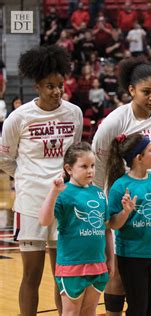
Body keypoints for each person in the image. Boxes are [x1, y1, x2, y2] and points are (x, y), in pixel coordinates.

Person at [0, 45, 83, 315]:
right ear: (37, 85)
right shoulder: (19, 117)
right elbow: (4, 157)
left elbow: (76, 154)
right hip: (32, 204)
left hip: (66, 204)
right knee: (31, 276)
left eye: (60, 85)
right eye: (50, 86)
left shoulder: (74, 113)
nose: (57, 91)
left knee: (63, 277)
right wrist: (25, 176)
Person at [92, 56, 151, 315]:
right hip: (124, 201)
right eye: (146, 92)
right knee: (118, 269)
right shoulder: (116, 120)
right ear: (131, 91)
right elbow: (99, 160)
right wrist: (99, 203)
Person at [106, 133, 151, 315]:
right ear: (138, 158)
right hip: (133, 256)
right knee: (138, 308)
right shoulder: (120, 186)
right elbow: (113, 224)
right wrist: (126, 212)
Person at [38, 142, 113, 315]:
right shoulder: (63, 193)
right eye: (84, 166)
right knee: (71, 312)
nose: (90, 171)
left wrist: (111, 260)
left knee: (89, 311)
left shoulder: (99, 193)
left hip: (98, 264)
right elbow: (44, 220)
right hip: (72, 266)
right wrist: (53, 192)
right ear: (69, 169)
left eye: (92, 166)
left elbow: (106, 228)